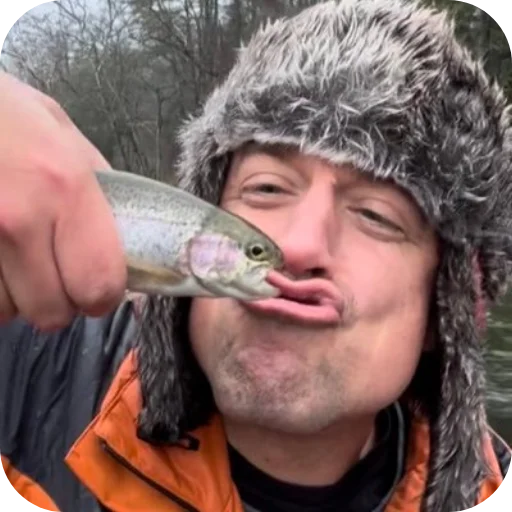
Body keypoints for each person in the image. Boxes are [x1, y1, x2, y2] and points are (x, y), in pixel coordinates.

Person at [0, 0, 510, 511]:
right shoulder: (30, 358)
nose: (300, 245)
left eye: (376, 215)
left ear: (445, 312)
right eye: (267, 187)